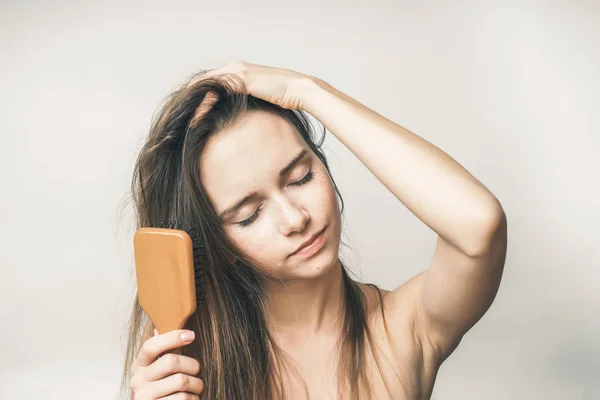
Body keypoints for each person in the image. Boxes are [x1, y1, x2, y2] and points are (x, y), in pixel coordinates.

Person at [121, 61, 508, 400]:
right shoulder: (188, 362)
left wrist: (306, 91)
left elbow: (478, 226)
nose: (295, 219)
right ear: (215, 244)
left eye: (301, 177)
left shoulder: (403, 330)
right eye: (250, 215)